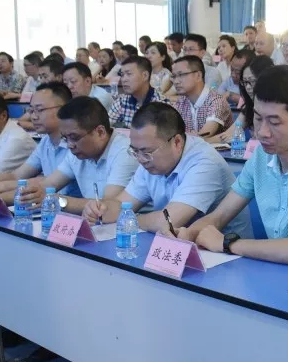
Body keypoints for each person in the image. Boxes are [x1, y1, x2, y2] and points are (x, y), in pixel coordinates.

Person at [178, 65, 288, 270]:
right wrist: (187, 235)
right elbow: (218, 217)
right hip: (275, 274)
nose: (262, 132)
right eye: (257, 118)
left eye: (274, 122)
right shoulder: (262, 155)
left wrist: (228, 243)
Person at [81, 102, 253, 239]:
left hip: (224, 254)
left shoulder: (205, 163)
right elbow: (121, 205)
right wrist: (101, 208)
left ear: (176, 142)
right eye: (135, 151)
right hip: (175, 246)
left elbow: (169, 221)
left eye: (146, 152)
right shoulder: (148, 160)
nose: (140, 159)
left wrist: (128, 217)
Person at [0, 83, 82, 205]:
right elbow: (16, 176)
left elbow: (43, 183)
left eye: (40, 110)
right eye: (31, 110)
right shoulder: (45, 142)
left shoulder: (77, 145)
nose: (34, 116)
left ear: (64, 108)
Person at [18, 96, 139, 215]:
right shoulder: (78, 151)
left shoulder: (125, 152)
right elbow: (45, 188)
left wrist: (58, 201)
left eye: (74, 137)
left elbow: (106, 207)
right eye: (65, 138)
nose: (70, 145)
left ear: (100, 132)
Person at [210, 55, 273, 144]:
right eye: (245, 82)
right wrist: (200, 142)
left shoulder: (278, 108)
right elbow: (228, 134)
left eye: (252, 81)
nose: (248, 87)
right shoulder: (249, 107)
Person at [171, 56, 233, 136]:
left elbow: (204, 135)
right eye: (174, 76)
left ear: (198, 76)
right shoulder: (181, 102)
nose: (176, 81)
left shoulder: (216, 101)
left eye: (181, 75)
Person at [108, 56, 167, 128]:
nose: (123, 79)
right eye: (122, 75)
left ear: (145, 76)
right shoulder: (122, 101)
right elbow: (108, 126)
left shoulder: (162, 104)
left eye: (129, 74)